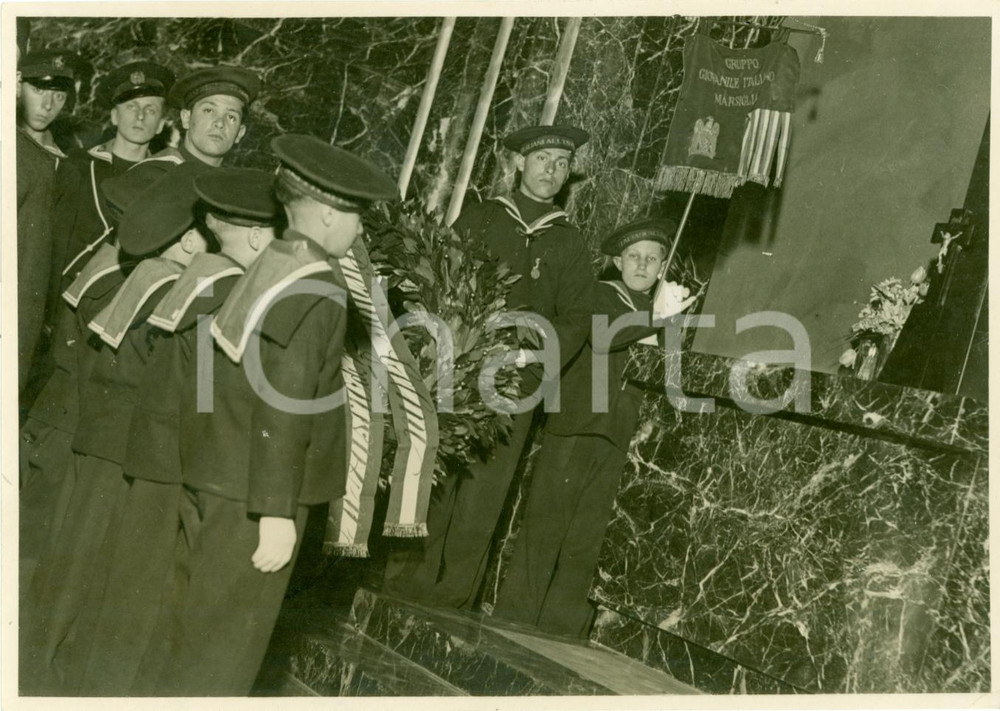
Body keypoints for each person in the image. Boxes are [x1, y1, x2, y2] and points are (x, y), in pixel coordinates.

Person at [141, 134, 397, 696]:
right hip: (256, 498)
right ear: (329, 216)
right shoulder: (319, 285)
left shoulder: (270, 263)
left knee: (186, 634)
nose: (360, 229)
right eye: (357, 216)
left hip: (217, 477)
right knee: (223, 655)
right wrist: (277, 511)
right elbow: (287, 400)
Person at [59, 168, 282, 696]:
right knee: (139, 607)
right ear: (254, 233)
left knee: (117, 592)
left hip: (147, 454)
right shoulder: (220, 290)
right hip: (173, 466)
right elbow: (202, 396)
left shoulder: (192, 279)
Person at [383, 124, 597, 609]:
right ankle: (400, 583)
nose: (552, 170)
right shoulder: (480, 218)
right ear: (518, 163)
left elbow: (577, 319)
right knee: (437, 476)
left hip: (517, 379)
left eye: (561, 164)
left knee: (486, 491)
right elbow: (434, 278)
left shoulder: (569, 244)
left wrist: (532, 352)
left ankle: (451, 597)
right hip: (455, 369)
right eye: (543, 159)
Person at [20, 168, 209, 695]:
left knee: (68, 563)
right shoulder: (166, 289)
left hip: (98, 439)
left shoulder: (138, 275)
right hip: (120, 447)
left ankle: (39, 671)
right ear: (188, 237)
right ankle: (40, 681)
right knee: (80, 570)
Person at [492, 217, 695, 639]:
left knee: (587, 536)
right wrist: (659, 320)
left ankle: (561, 628)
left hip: (622, 431)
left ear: (661, 267)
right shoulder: (601, 293)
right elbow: (604, 337)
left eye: (651, 259)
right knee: (546, 524)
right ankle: (514, 617)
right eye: (634, 257)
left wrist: (672, 325)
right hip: (577, 423)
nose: (642, 265)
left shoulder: (663, 310)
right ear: (619, 261)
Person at [19, 60, 174, 591]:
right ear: (112, 113)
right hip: (69, 330)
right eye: (130, 107)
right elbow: (51, 251)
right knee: (52, 457)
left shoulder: (170, 180)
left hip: (128, 343)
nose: (140, 116)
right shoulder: (76, 168)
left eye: (151, 110)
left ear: (163, 123)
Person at [16, 49, 79, 416]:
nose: (49, 104)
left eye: (59, 95)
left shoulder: (66, 163)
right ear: (19, 86)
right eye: (40, 90)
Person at [124, 64, 259, 181]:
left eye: (231, 117)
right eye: (208, 110)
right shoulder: (148, 177)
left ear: (240, 133)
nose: (220, 123)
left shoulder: (235, 191)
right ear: (186, 118)